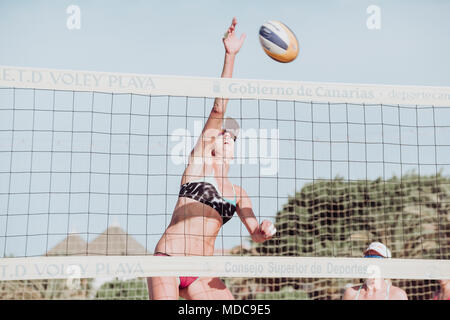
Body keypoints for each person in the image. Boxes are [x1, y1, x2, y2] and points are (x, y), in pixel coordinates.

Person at [147, 17, 276, 300]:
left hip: (202, 270)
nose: (227, 135)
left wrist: (264, 231)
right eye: (222, 133)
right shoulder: (197, 165)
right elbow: (219, 108)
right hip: (168, 259)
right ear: (212, 140)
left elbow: (254, 233)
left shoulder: (239, 194)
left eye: (233, 135)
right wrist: (230, 56)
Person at [342, 242, 408, 300]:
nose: (372, 262)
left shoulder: (397, 295)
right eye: (368, 258)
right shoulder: (351, 294)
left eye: (377, 259)